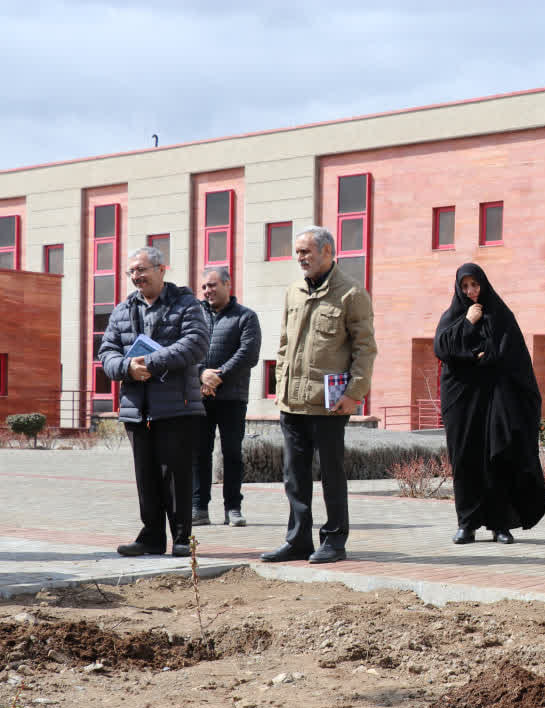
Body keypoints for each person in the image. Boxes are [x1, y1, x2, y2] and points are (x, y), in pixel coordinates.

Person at [261, 227, 377, 565]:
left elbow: (365, 349)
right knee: (294, 476)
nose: (300, 258)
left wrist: (355, 393)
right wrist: (280, 384)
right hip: (292, 403)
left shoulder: (351, 293)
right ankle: (298, 540)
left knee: (331, 474)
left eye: (306, 252)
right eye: (297, 252)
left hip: (329, 405)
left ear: (327, 252)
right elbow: (284, 345)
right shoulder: (293, 292)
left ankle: (334, 540)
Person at [98, 247, 210, 558]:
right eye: (131, 272)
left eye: (142, 270)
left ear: (163, 270)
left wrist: (150, 362)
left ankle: (182, 537)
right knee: (145, 476)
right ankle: (151, 537)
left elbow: (196, 344)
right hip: (137, 407)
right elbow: (106, 352)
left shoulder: (186, 304)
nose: (136, 277)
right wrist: (126, 368)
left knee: (174, 475)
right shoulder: (123, 310)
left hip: (177, 405)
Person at [434, 263, 545, 544]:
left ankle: (500, 524)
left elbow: (513, 356)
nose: (471, 291)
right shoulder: (453, 316)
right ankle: (467, 524)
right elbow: (443, 349)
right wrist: (468, 323)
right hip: (462, 402)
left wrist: (480, 358)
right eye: (465, 286)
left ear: (484, 284)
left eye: (475, 285)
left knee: (497, 456)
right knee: (465, 460)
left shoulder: (501, 314)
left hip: (495, 399)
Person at [192, 266, 261, 527]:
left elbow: (248, 353)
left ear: (227, 284)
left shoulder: (246, 317)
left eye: (212, 285)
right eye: (204, 287)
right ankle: (199, 508)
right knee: (199, 453)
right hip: (200, 396)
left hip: (232, 397)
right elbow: (185, 349)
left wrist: (217, 376)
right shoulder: (194, 317)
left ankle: (233, 507)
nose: (208, 291)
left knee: (232, 453)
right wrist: (201, 375)